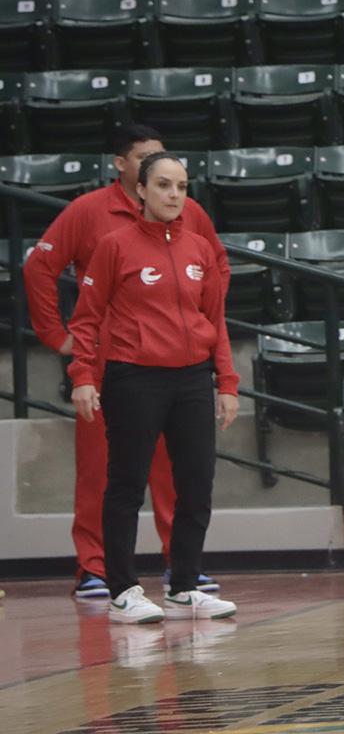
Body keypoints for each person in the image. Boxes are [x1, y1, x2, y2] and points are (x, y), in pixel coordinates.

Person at [24, 124, 229, 599]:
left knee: (181, 477)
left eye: (176, 177)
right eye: (148, 162)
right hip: (118, 366)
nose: (171, 187)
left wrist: (193, 324)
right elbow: (40, 267)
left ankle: (181, 570)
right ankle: (99, 570)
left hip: (184, 369)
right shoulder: (91, 213)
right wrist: (59, 340)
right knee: (109, 473)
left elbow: (216, 270)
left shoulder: (191, 216)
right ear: (126, 169)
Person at [67, 152, 240, 623]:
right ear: (140, 190)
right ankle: (122, 589)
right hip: (133, 376)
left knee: (196, 485)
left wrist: (226, 381)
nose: (174, 195)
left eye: (182, 187)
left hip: (192, 378)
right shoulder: (114, 246)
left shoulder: (200, 249)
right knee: (125, 485)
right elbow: (86, 318)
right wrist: (82, 375)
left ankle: (184, 587)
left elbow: (214, 320)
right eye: (164, 185)